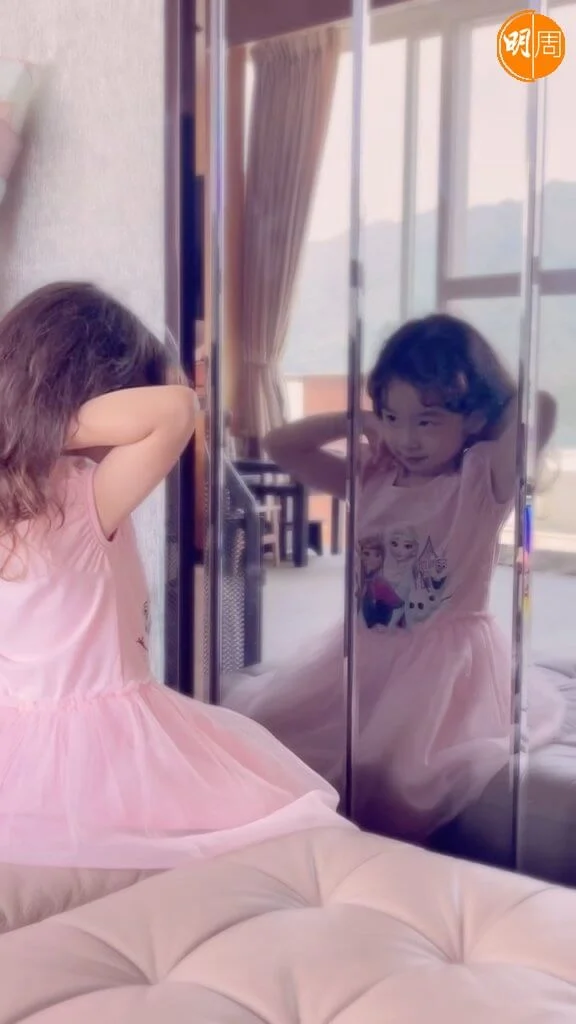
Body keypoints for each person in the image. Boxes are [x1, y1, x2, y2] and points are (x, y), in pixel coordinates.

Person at [0, 282, 349, 870]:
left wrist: (20, 419)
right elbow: (178, 408)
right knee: (271, 820)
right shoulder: (84, 495)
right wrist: (33, 418)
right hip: (106, 743)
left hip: (20, 740)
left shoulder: (21, 497)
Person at [224, 313, 566, 840]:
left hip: (443, 666)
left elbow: (540, 405)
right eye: (392, 417)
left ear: (473, 416)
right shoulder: (371, 475)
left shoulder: (481, 482)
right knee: (274, 733)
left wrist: (487, 409)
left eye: (427, 421)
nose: (406, 437)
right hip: (364, 648)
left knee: (403, 774)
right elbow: (279, 444)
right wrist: (355, 420)